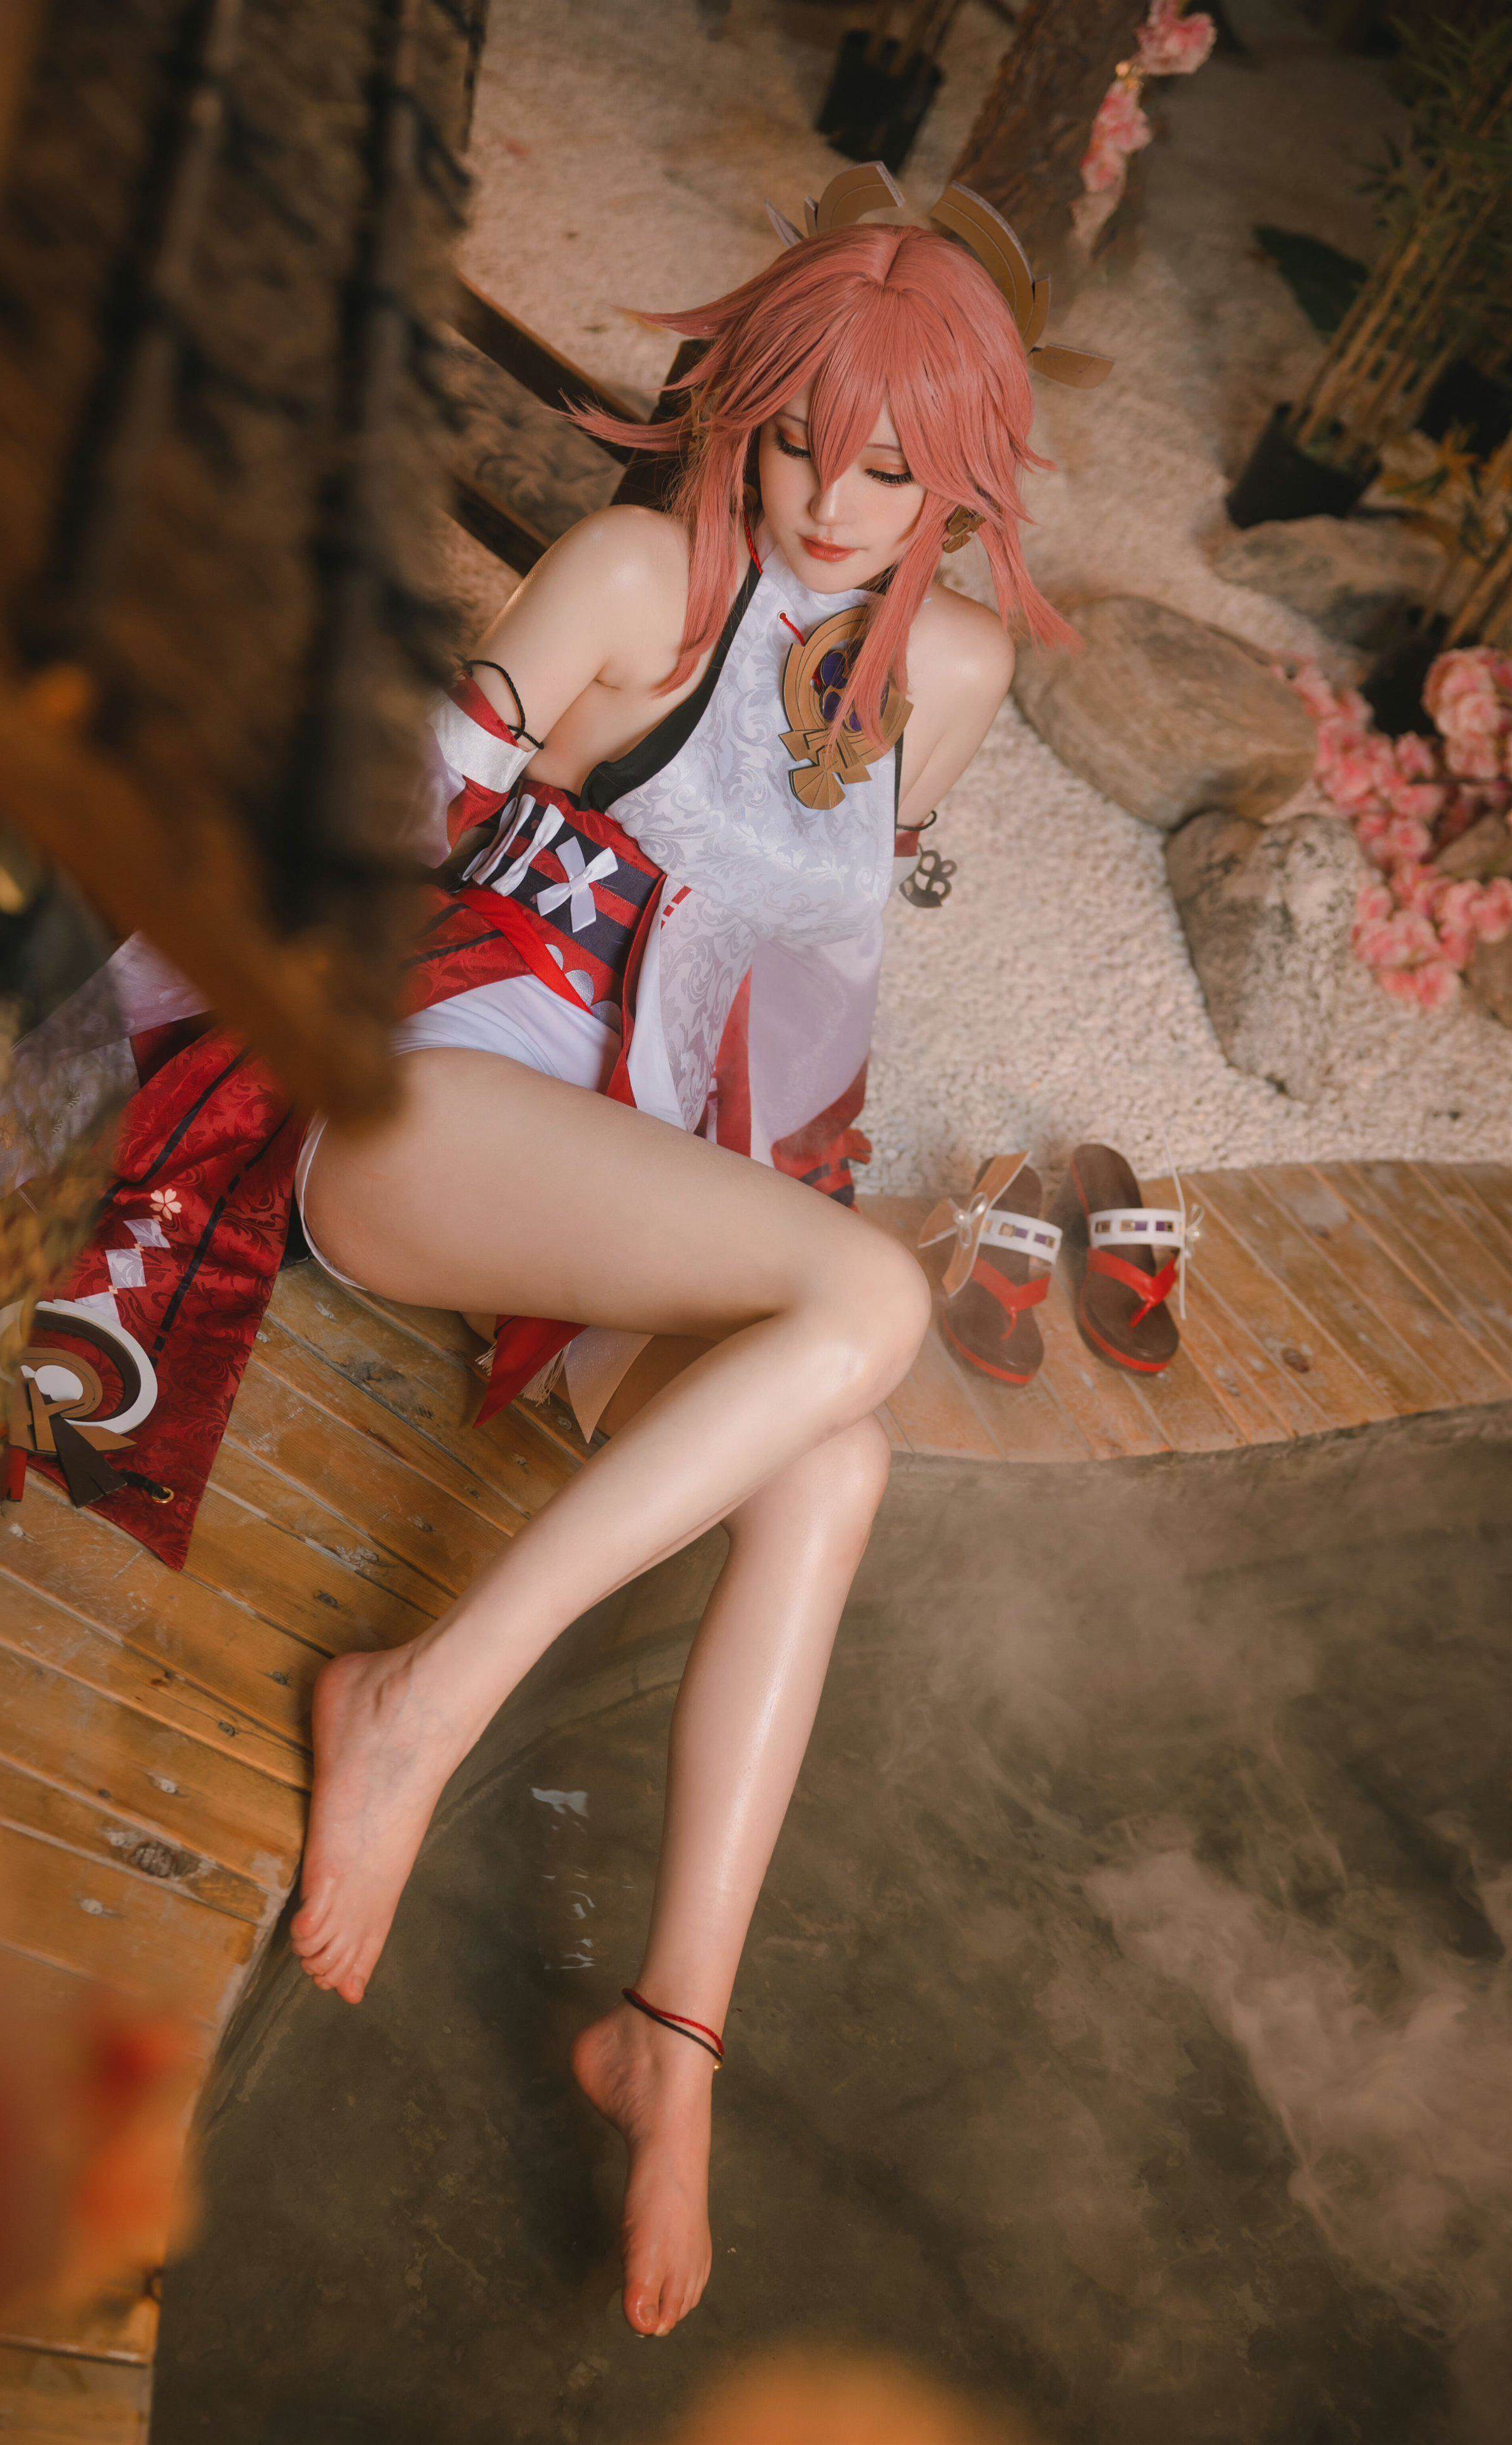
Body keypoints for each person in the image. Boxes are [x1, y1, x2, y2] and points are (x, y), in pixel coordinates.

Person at [287, 168, 1101, 2338]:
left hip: (618, 1206)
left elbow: (801, 984)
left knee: (838, 1456)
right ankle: (418, 1706)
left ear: (965, 484)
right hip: (432, 1117)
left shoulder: (954, 677)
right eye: (799, 438)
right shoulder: (638, 569)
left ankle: (676, 2040)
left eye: (893, 469)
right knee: (869, 1305)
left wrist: (787, 1204)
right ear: (736, 405)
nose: (831, 502)